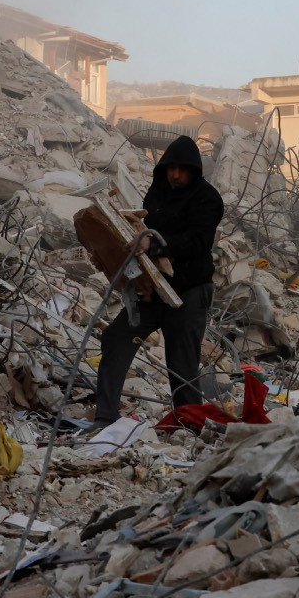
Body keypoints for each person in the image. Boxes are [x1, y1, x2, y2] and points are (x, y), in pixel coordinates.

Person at [93, 135, 224, 425]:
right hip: (151, 288)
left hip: (188, 292)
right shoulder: (158, 193)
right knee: (116, 338)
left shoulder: (207, 198)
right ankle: (104, 419)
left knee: (181, 364)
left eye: (182, 169)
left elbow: (198, 240)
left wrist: (155, 246)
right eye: (170, 168)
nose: (175, 175)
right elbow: (141, 228)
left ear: (193, 170)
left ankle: (190, 425)